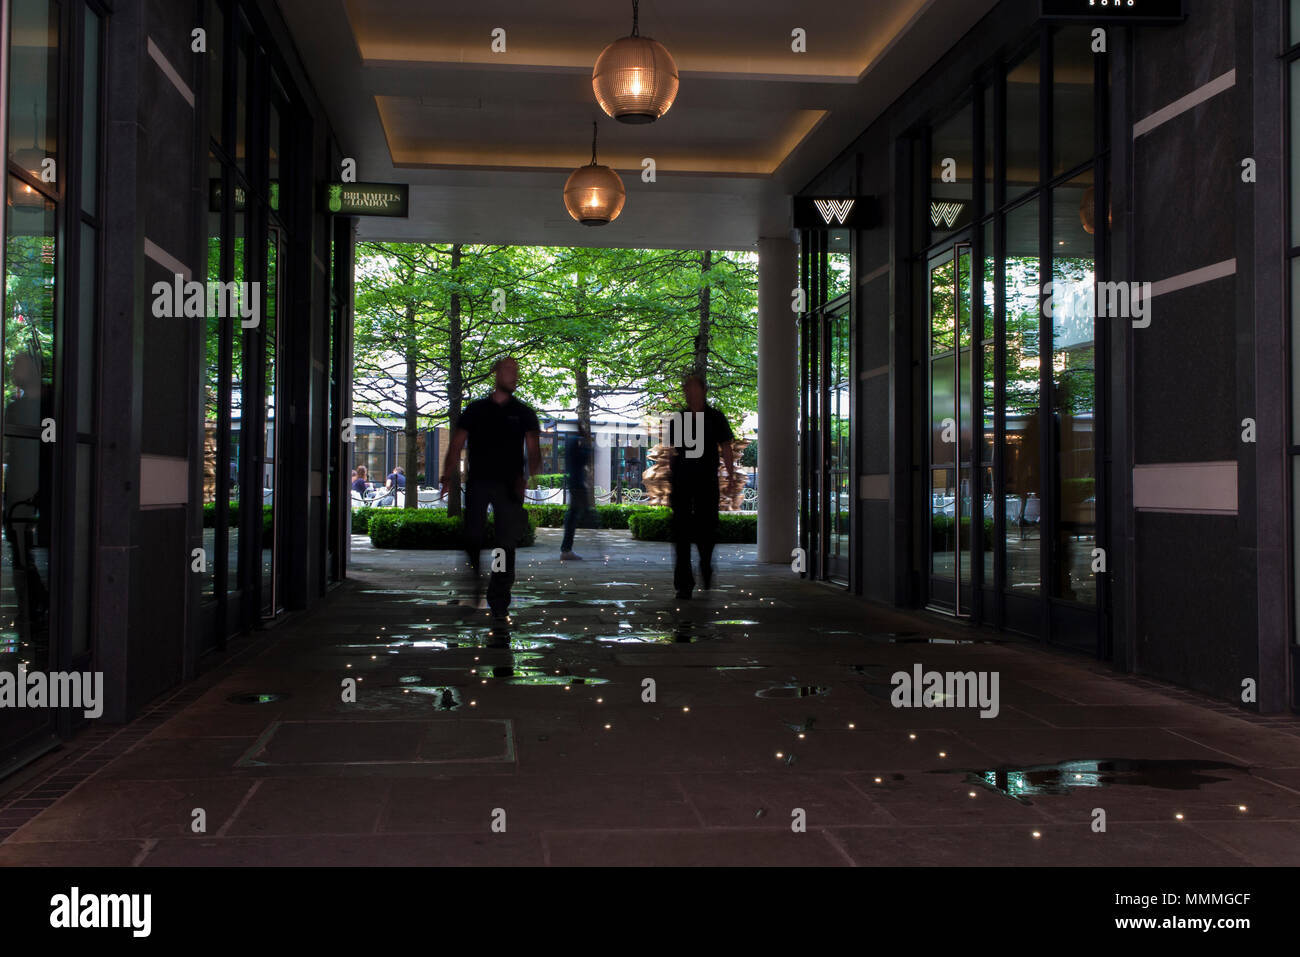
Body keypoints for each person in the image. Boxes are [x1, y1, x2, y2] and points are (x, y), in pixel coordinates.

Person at [440, 357, 541, 623]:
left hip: (509, 487)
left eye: (517, 371)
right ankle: (474, 579)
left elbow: (533, 449)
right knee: (472, 536)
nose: (514, 375)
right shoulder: (476, 410)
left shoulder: (524, 413)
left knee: (504, 545)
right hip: (479, 482)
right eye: (509, 370)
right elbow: (456, 444)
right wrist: (447, 476)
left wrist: (531, 477)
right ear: (495, 374)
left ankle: (498, 600)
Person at [669, 373, 736, 600]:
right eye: (687, 389)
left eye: (693, 388)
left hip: (706, 482)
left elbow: (726, 447)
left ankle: (705, 565)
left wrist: (730, 475)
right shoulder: (679, 419)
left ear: (703, 391)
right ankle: (683, 584)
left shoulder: (716, 417)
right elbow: (674, 452)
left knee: (707, 529)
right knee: (681, 533)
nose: (689, 392)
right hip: (682, 483)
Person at [560, 427, 592, 560]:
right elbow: (584, 458)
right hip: (577, 484)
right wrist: (587, 444)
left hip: (575, 483)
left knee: (573, 514)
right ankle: (566, 549)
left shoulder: (570, 443)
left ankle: (566, 549)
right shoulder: (575, 445)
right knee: (576, 514)